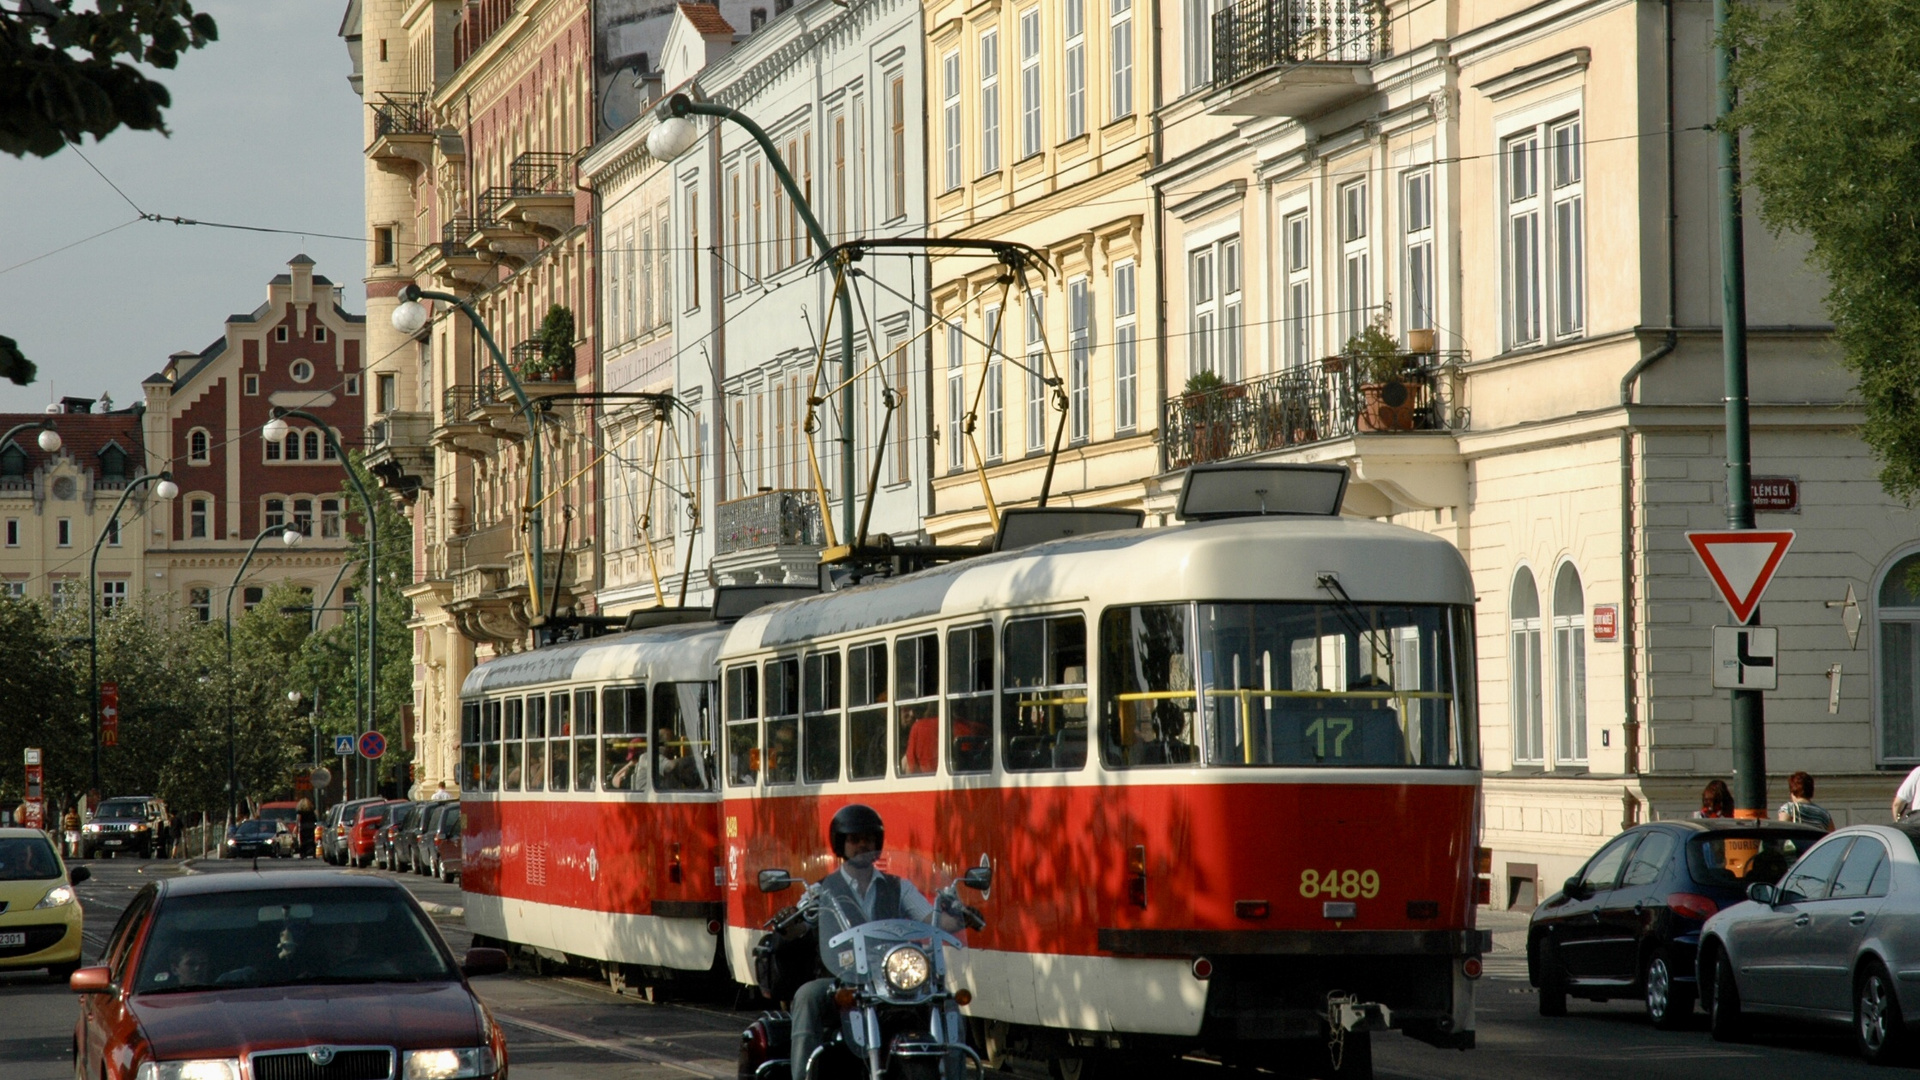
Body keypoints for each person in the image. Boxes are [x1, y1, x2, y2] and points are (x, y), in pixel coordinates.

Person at [791, 805, 966, 1076]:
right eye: (854, 839)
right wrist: (797, 917)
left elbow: (931, 921)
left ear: (878, 843)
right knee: (807, 996)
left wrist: (959, 917)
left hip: (894, 978)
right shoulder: (822, 890)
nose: (863, 845)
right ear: (841, 844)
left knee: (948, 1001)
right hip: (843, 978)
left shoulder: (898, 887)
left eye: (869, 839)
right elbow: (799, 922)